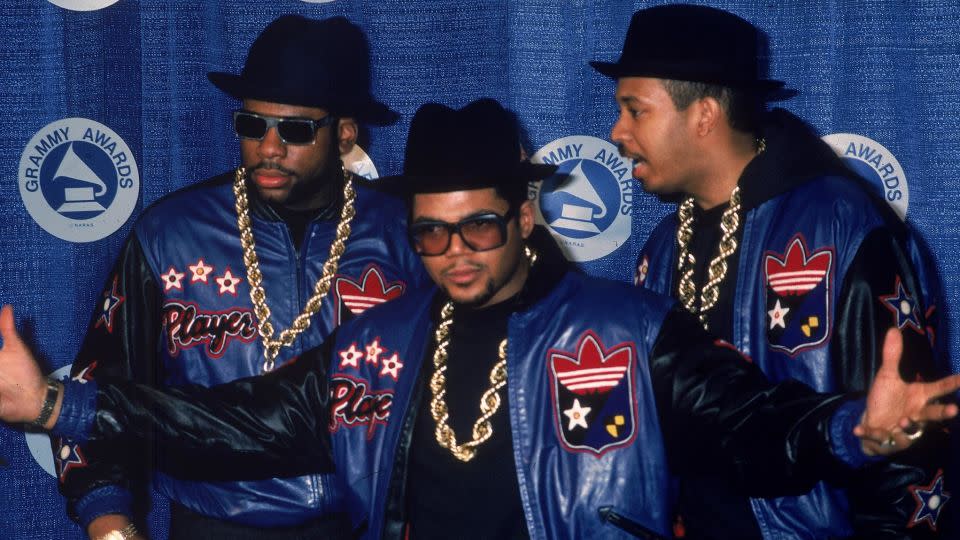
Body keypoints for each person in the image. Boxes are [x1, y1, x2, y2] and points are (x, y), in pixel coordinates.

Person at [1, 98, 957, 540]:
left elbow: (754, 426)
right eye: (428, 235)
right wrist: (54, 406)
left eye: (481, 227)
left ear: (527, 216)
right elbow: (234, 418)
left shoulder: (629, 326)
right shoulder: (377, 343)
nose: (455, 253)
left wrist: (855, 433)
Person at [56, 14, 427, 540]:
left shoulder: (403, 234)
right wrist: (109, 523)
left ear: (344, 133)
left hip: (361, 523)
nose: (268, 147)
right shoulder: (172, 234)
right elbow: (101, 383)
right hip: (215, 525)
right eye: (252, 125)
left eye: (295, 129)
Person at [591, 4, 950, 539]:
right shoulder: (662, 249)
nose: (616, 131)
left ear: (704, 115)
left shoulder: (840, 223)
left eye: (634, 109)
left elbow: (906, 439)